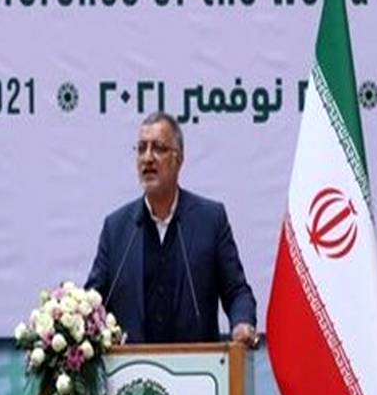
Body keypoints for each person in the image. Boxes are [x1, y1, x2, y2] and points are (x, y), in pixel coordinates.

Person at [86, 111, 258, 345]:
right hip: (132, 366)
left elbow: (237, 291)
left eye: (158, 148)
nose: (148, 158)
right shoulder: (116, 228)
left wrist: (242, 323)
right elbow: (93, 302)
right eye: (141, 148)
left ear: (179, 159)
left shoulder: (210, 220)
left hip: (199, 364)